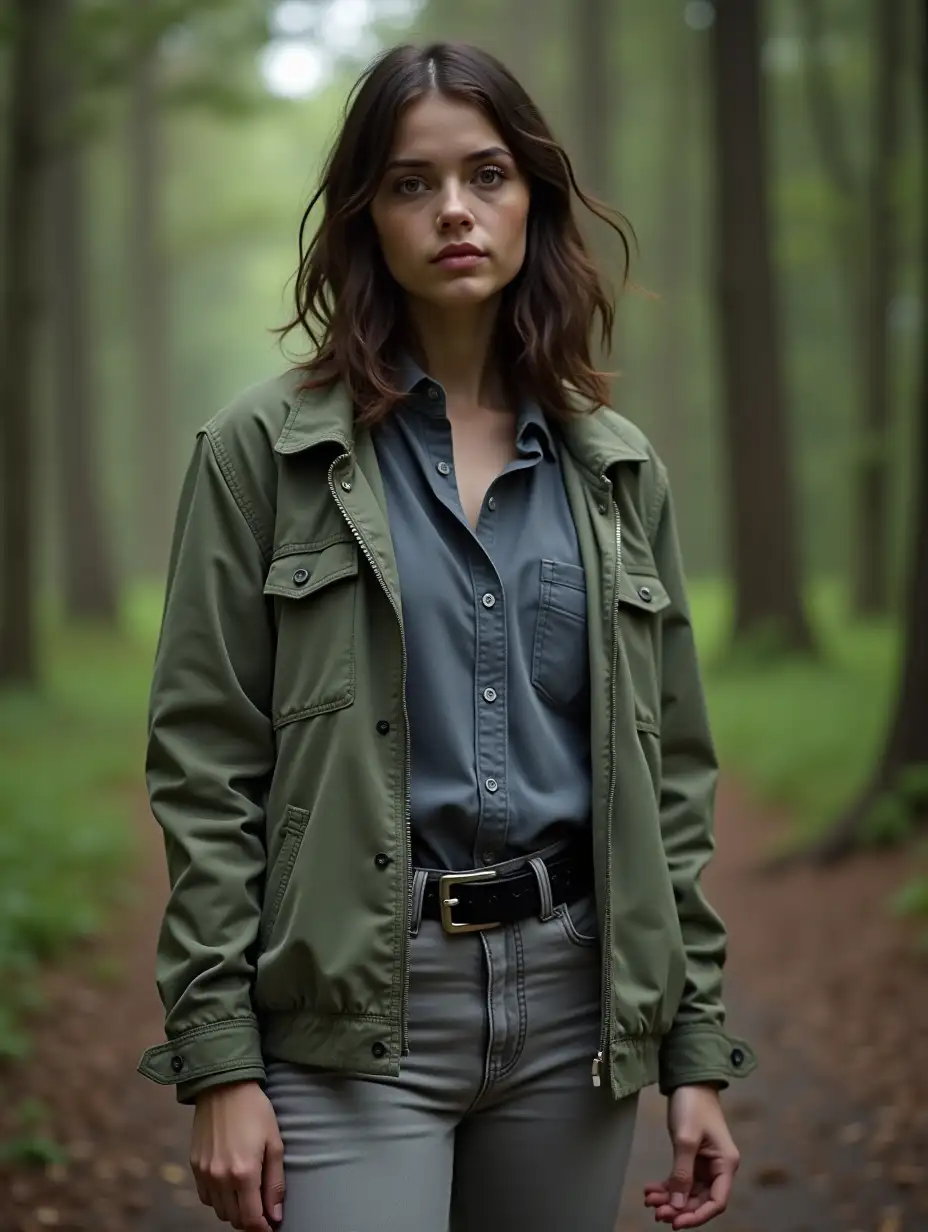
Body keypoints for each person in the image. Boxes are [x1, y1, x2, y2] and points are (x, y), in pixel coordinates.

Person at [138, 40, 756, 1232]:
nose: (455, 210)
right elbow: (206, 765)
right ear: (367, 215)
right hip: (354, 1014)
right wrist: (218, 1059)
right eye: (413, 183)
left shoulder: (619, 470)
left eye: (487, 174)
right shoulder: (258, 455)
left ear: (535, 198)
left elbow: (669, 781)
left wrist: (692, 1049)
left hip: (573, 1015)